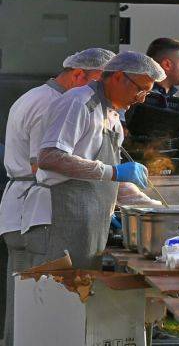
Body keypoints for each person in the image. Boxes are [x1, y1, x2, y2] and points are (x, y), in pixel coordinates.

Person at [0, 48, 115, 345]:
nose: (98, 94)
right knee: (38, 307)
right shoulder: (51, 104)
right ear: (79, 75)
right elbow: (45, 164)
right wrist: (106, 174)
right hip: (37, 213)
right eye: (97, 84)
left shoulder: (43, 97)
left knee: (24, 306)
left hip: (27, 211)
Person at [21, 51, 166, 271]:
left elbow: (113, 175)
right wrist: (113, 172)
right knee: (50, 298)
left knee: (76, 301)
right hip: (59, 221)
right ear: (118, 77)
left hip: (89, 229)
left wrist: (155, 210)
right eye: (140, 89)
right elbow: (49, 157)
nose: (142, 98)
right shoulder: (79, 102)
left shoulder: (113, 118)